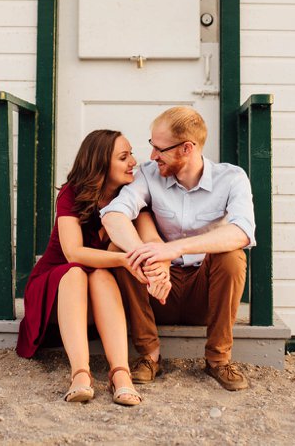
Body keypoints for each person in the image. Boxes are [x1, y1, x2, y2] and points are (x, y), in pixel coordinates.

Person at [99, 106, 256, 392]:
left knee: (233, 256)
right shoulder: (148, 174)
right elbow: (113, 215)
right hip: (157, 290)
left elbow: (242, 232)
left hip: (204, 295)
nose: (151, 156)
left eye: (160, 149)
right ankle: (148, 355)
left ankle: (218, 358)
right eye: (152, 146)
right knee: (119, 249)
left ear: (187, 148)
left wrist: (170, 249)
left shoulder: (231, 178)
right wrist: (148, 255)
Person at [16, 129, 162, 406]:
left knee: (100, 274)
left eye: (131, 153)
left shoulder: (130, 195)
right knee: (76, 271)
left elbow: (143, 239)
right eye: (123, 156)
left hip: (98, 294)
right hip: (57, 289)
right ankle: (80, 373)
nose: (133, 161)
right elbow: (73, 253)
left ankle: (120, 374)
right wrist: (124, 259)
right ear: (100, 163)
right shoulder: (72, 194)